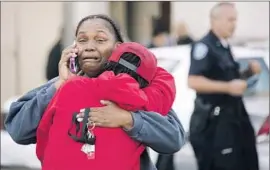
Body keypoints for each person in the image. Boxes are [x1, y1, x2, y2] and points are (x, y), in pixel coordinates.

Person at [5, 14, 185, 170]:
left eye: (100, 40)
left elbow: (174, 138)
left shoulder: (135, 89)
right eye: (82, 40)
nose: (89, 47)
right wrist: (60, 84)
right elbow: (17, 130)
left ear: (118, 48)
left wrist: (128, 119)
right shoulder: (60, 85)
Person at [37, 42, 176, 170]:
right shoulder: (142, 104)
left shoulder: (70, 87)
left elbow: (43, 132)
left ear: (108, 63)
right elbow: (165, 84)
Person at [188, 3, 260, 170]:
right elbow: (193, 81)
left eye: (235, 20)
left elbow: (229, 78)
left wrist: (248, 72)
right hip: (216, 122)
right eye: (230, 20)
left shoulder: (224, 46)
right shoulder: (204, 47)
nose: (234, 24)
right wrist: (228, 87)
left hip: (234, 118)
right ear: (215, 20)